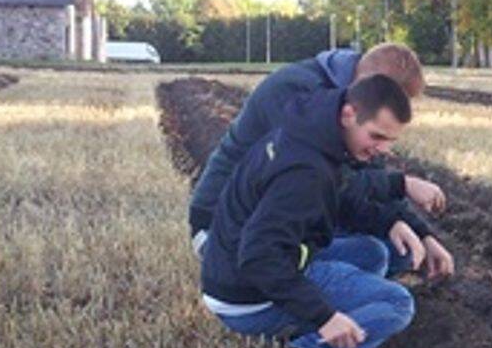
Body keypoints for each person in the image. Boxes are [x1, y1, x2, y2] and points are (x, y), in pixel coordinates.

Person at [199, 73, 423, 348]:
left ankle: (313, 335)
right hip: (248, 294)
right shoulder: (305, 170)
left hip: (235, 273)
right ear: (350, 114)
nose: (383, 149)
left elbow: (340, 194)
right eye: (378, 136)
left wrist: (391, 220)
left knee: (375, 253)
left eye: (391, 140)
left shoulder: (310, 131)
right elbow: (259, 257)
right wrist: (323, 316)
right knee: (398, 304)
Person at [187, 42, 448, 271]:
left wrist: (422, 233)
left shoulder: (356, 105)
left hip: (285, 207)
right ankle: (300, 313)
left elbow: (369, 176)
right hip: (228, 223)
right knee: (373, 256)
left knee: (400, 251)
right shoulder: (296, 93)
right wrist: (400, 195)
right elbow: (320, 181)